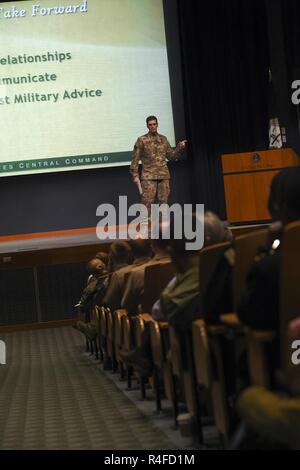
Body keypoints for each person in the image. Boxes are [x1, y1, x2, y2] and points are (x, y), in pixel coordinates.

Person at [130, 116, 187, 216]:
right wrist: (135, 174)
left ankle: (161, 229)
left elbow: (171, 156)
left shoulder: (163, 139)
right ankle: (145, 229)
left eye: (154, 124)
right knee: (146, 203)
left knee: (163, 204)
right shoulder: (142, 140)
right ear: (147, 126)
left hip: (163, 175)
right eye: (150, 124)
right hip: (148, 176)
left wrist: (179, 148)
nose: (152, 126)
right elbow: (135, 158)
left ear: (157, 125)